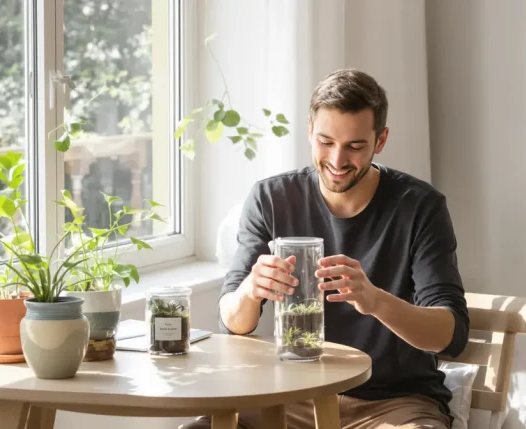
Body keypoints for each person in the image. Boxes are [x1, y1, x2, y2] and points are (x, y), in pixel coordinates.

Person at [181, 69, 469, 429]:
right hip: (287, 396)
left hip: (391, 402)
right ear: (309, 131)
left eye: (355, 146)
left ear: (381, 141)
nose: (336, 160)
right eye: (325, 141)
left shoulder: (419, 207)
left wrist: (375, 300)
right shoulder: (271, 199)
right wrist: (251, 291)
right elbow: (232, 322)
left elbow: (451, 336)